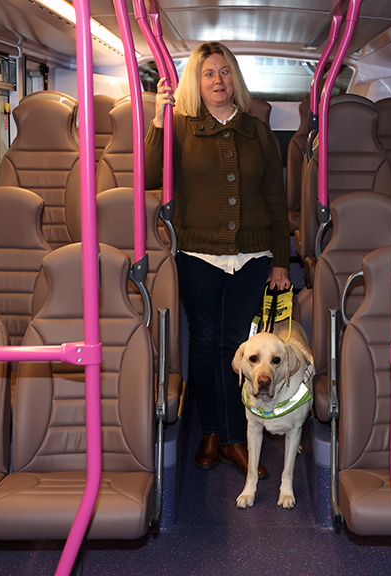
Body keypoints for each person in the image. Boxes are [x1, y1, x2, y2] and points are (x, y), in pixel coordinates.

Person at [144, 42, 290, 478]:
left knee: (237, 348)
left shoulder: (257, 131)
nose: (218, 80)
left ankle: (234, 439)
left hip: (251, 257)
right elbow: (151, 175)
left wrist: (280, 260)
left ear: (235, 80)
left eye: (225, 72)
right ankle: (211, 432)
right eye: (208, 73)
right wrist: (157, 120)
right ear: (197, 81)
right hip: (198, 256)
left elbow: (275, 200)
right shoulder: (180, 127)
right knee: (205, 347)